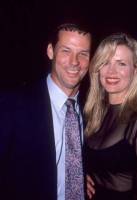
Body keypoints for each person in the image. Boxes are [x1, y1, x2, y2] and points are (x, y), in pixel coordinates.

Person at [0, 23, 92, 200]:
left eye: (83, 54)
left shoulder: (92, 108)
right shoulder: (12, 105)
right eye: (66, 51)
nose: (74, 62)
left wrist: (83, 173)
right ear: (51, 51)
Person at [84, 33, 137, 200]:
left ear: (136, 70)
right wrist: (81, 175)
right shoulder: (92, 113)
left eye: (121, 63)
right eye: (105, 62)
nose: (111, 71)